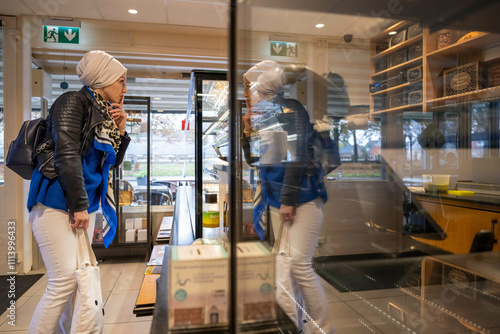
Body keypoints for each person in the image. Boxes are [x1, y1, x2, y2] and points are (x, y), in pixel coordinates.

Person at [27, 50, 130, 333]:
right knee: (63, 281)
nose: (124, 88)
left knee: (75, 282)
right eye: (121, 81)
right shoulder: (73, 101)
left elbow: (112, 162)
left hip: (78, 204)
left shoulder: (103, 113)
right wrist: (79, 205)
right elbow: (66, 153)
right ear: (104, 78)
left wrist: (120, 131)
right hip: (56, 202)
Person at [242, 60, 331, 334]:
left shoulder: (290, 109)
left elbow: (297, 156)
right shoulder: (263, 115)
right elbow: (253, 160)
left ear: (263, 84)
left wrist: (288, 200)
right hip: (284, 199)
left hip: (301, 199)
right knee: (288, 268)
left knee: (301, 267)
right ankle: (297, 326)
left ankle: (323, 329)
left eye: (248, 86)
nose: (245, 92)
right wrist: (247, 129)